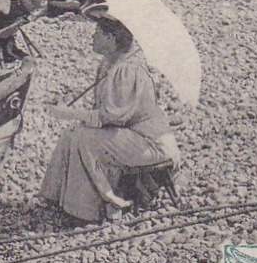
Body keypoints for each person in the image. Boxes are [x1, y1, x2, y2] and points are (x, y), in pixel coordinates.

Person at [39, 16, 181, 223]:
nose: (92, 37)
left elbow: (111, 118)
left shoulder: (127, 70)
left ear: (111, 38)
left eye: (97, 33)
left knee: (83, 138)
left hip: (150, 144)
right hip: (130, 136)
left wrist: (68, 114)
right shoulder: (109, 64)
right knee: (72, 133)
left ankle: (87, 211)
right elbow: (104, 111)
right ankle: (57, 197)